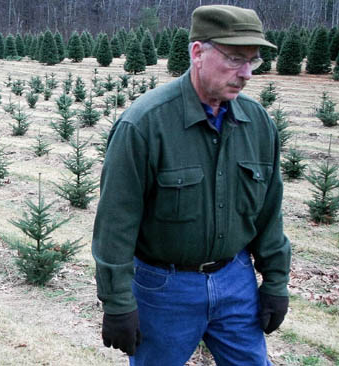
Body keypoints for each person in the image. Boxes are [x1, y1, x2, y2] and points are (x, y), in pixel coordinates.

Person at [91, 5, 291, 365]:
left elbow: (269, 211)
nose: (245, 73)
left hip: (236, 281)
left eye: (253, 61)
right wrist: (118, 302)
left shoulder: (259, 125)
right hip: (165, 289)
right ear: (198, 53)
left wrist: (275, 281)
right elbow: (115, 223)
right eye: (234, 59)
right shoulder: (144, 125)